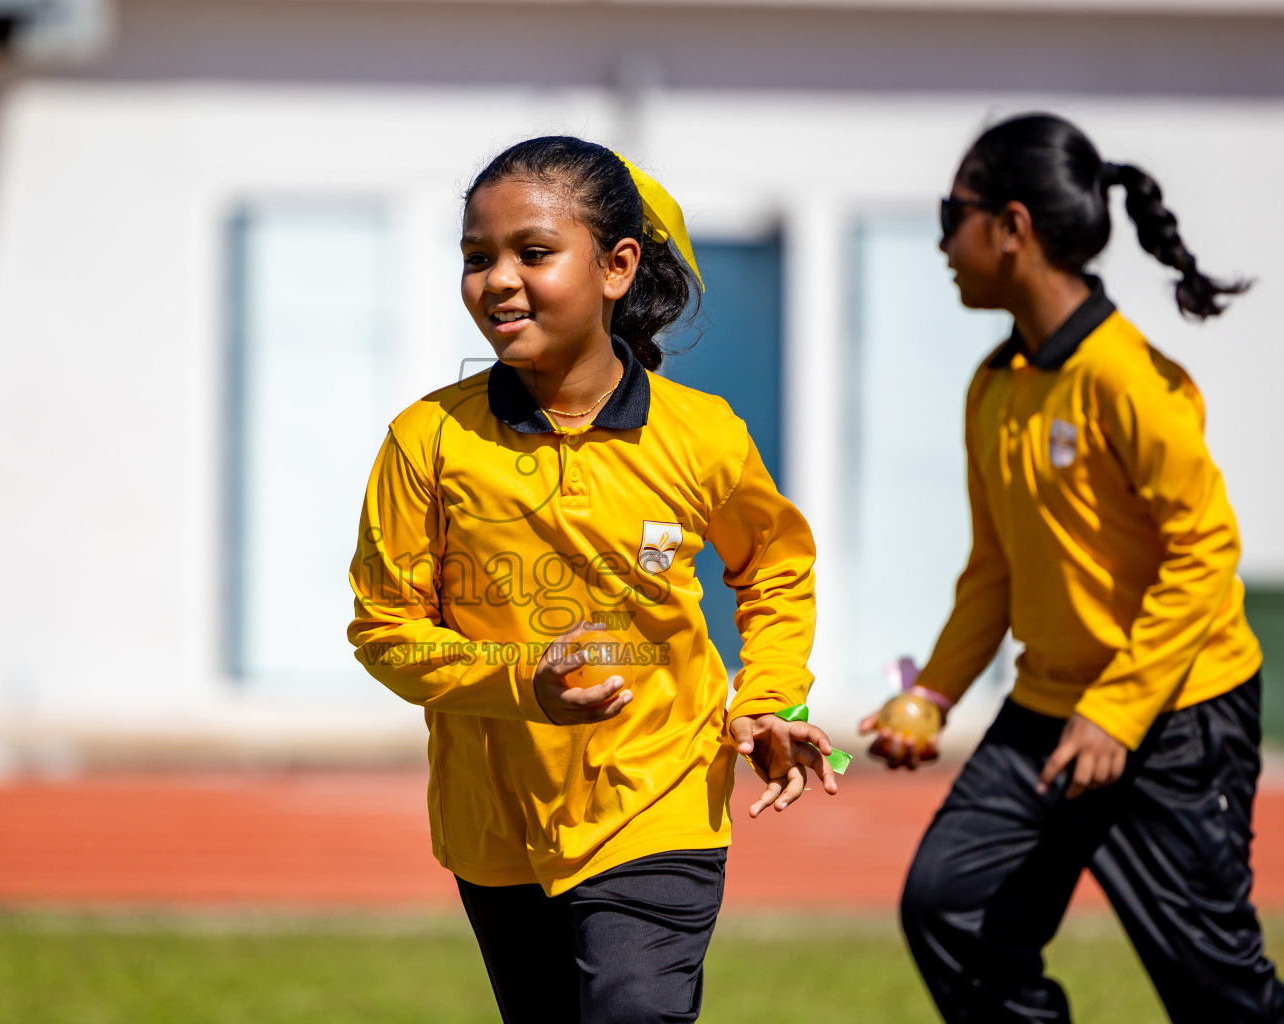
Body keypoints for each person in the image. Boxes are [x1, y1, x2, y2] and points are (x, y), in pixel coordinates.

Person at [347, 136, 840, 1024]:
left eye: (532, 253)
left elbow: (776, 565)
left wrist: (771, 700)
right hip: (495, 830)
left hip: (661, 802)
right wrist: (517, 684)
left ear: (617, 267)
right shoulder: (425, 441)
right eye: (476, 258)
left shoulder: (702, 436)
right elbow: (384, 630)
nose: (497, 280)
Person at [861, 112, 1284, 1022]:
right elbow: (994, 571)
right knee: (950, 906)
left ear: (1011, 228)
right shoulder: (995, 384)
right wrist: (930, 696)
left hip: (1176, 716)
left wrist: (1119, 713)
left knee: (1221, 997)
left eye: (953, 213)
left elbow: (1206, 551)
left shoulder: (1129, 379)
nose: (942, 239)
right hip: (1051, 711)